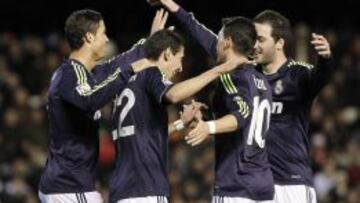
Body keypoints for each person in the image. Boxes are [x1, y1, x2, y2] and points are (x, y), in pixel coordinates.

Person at [109, 28, 249, 203]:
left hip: (120, 189)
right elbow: (174, 94)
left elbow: (144, 136)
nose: (181, 67)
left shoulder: (125, 82)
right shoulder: (152, 73)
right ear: (167, 54)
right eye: (180, 58)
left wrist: (180, 124)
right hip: (145, 186)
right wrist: (218, 70)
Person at [38, 9, 156, 203]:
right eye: (103, 33)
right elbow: (90, 100)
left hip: (69, 184)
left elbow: (114, 66)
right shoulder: (69, 74)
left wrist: (147, 46)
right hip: (69, 185)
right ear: (89, 37)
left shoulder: (84, 74)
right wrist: (130, 71)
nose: (107, 39)